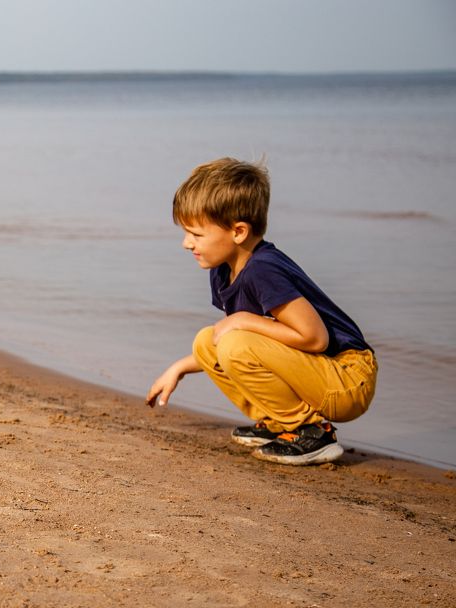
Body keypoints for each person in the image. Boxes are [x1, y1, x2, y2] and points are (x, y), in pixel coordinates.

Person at [146, 157, 377, 465]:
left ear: (238, 232)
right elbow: (232, 343)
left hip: (347, 377)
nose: (186, 244)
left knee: (233, 339)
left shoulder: (263, 269)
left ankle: (312, 432)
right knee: (208, 339)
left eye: (196, 234)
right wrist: (179, 368)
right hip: (319, 372)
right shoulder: (223, 269)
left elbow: (315, 338)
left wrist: (244, 318)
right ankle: (281, 424)